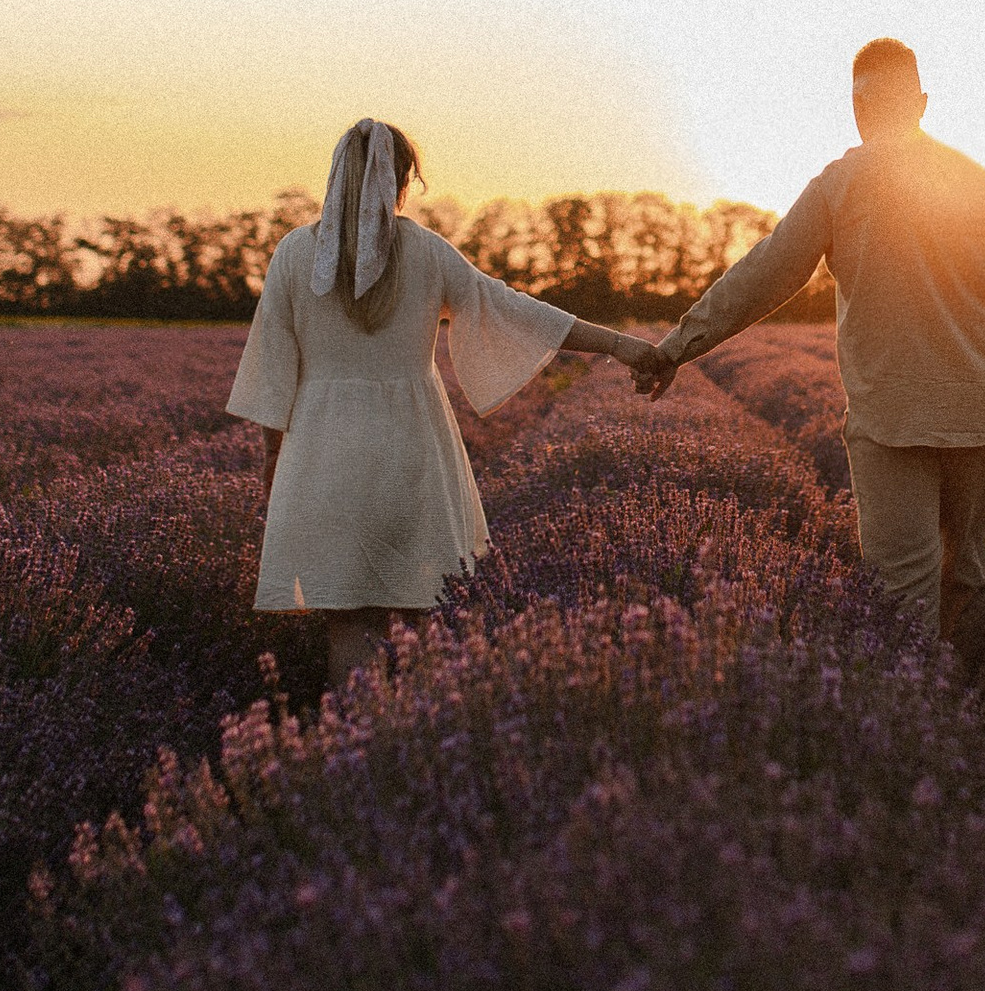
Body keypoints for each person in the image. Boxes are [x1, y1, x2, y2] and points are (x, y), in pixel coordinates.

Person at [637, 38, 985, 649]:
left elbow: (765, 276)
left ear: (857, 107)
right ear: (921, 102)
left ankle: (917, 725)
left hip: (890, 416)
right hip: (980, 415)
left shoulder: (839, 185)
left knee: (902, 590)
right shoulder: (978, 182)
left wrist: (678, 345)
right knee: (968, 576)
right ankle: (973, 718)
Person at [229, 116, 661, 689]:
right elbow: (513, 310)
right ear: (403, 181)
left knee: (348, 625)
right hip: (412, 448)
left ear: (336, 174)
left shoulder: (293, 254)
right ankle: (420, 746)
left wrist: (271, 457)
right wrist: (620, 344)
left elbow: (272, 369)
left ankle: (349, 756)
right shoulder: (427, 252)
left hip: (323, 452)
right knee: (418, 616)